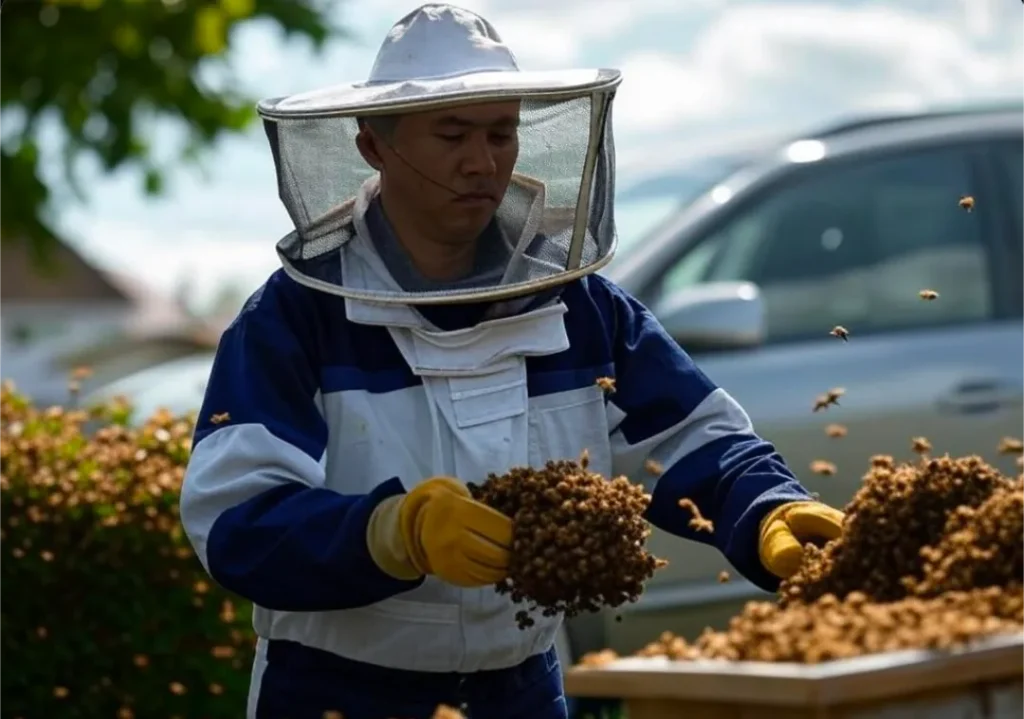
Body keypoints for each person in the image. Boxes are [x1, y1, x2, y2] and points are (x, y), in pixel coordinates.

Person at [179, 4, 845, 718]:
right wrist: (390, 530)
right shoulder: (294, 319)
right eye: (454, 134)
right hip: (337, 690)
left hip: (520, 686)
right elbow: (235, 519)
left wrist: (768, 507)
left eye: (501, 133)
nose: (482, 161)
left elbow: (693, 437)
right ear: (373, 145)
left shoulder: (582, 307)